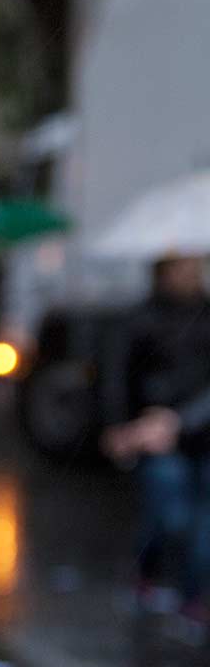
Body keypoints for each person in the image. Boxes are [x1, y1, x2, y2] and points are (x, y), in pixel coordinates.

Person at [102, 254, 210, 615]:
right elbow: (117, 377)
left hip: (195, 431)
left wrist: (178, 421)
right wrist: (120, 427)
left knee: (201, 520)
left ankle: (193, 595)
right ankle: (153, 574)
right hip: (154, 435)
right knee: (170, 515)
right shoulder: (140, 318)